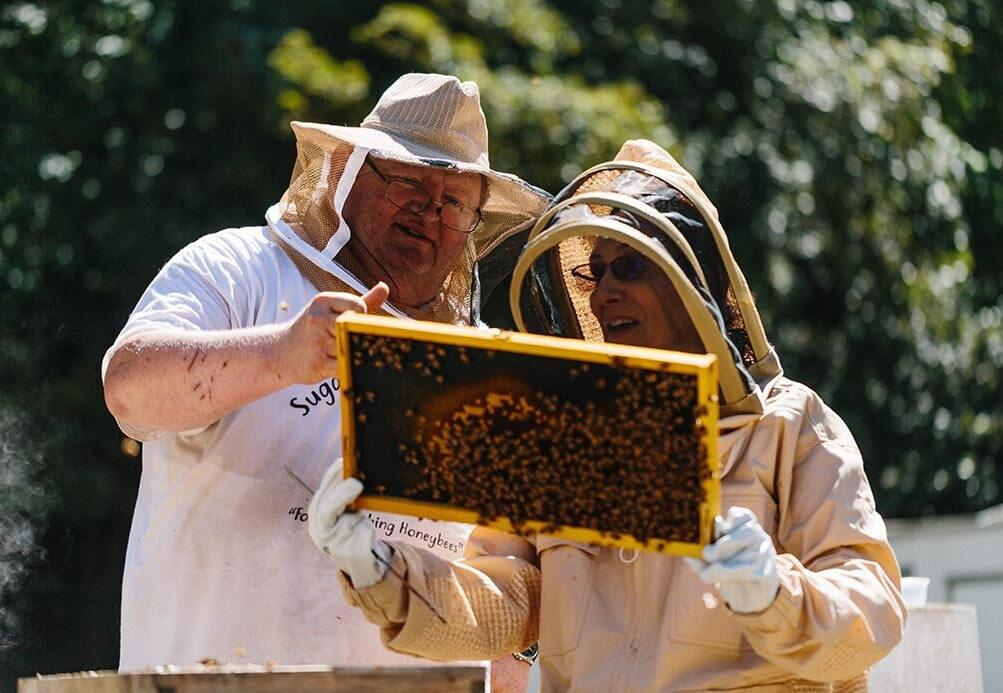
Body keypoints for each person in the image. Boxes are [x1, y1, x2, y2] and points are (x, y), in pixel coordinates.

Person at [306, 139, 907, 691]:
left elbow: (872, 612)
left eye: (630, 266)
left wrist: (773, 591)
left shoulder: (790, 425)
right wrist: (376, 566)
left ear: (690, 279)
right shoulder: (562, 432)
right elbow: (504, 606)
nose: (600, 293)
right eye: (594, 273)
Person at [101, 73, 550, 671]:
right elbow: (129, 391)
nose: (431, 211)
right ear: (344, 174)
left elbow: (494, 600)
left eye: (455, 201)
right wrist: (280, 354)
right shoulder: (240, 267)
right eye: (410, 181)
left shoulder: (479, 369)